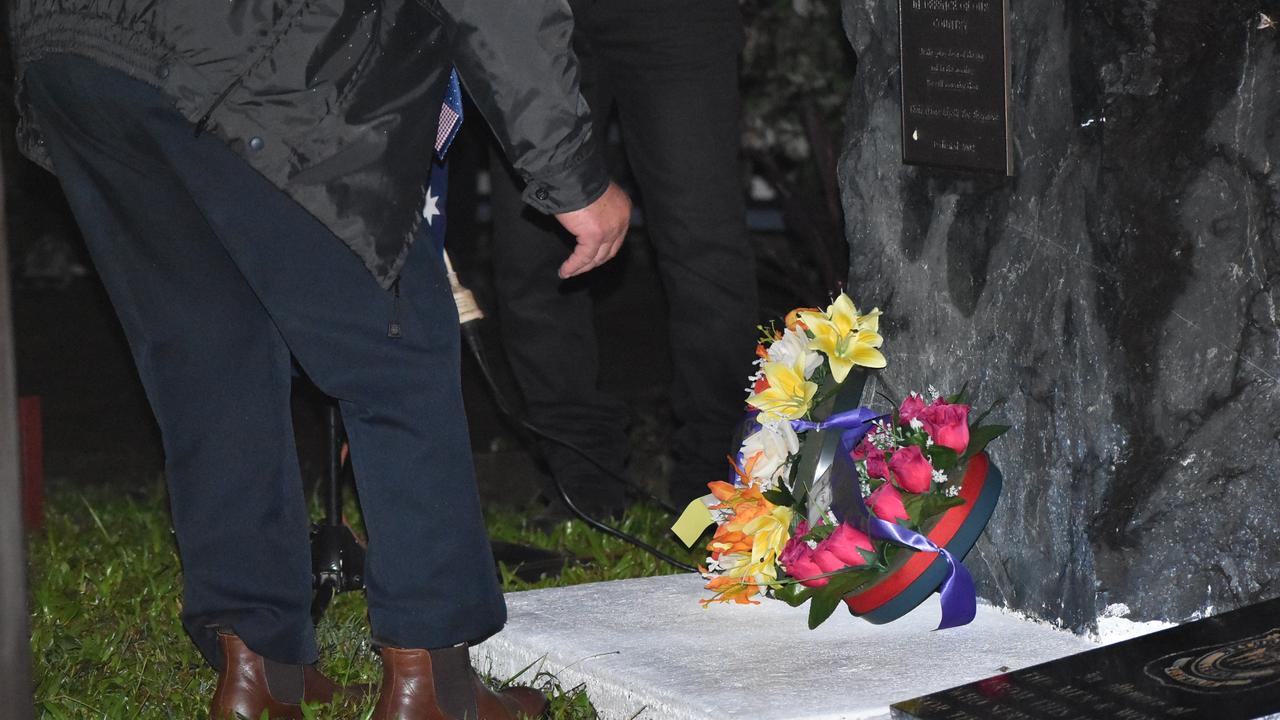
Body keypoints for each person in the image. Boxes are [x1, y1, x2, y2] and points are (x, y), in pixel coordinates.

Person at [8, 0, 630, 717]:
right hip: (260, 51)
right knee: (395, 357)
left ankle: (259, 670)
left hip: (79, 46)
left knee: (211, 362)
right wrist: (568, 168)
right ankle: (437, 687)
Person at [487, 0, 759, 517]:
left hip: (672, 16)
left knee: (703, 241)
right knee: (532, 252)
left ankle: (718, 480)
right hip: (528, 17)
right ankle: (578, 478)